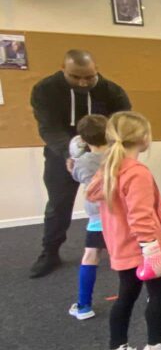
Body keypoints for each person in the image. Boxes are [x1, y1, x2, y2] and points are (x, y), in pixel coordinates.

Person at [85, 112, 161, 350]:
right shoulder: (136, 172)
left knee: (126, 296)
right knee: (158, 293)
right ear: (144, 138)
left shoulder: (108, 168)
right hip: (142, 249)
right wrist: (151, 248)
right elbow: (140, 215)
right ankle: (156, 346)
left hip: (122, 249)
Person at [29, 49, 131, 277]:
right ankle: (50, 253)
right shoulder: (45, 90)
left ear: (96, 70)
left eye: (89, 76)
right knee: (58, 205)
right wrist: (71, 153)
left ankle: (126, 247)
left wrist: (114, 153)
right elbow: (49, 127)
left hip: (106, 155)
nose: (83, 82)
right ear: (63, 69)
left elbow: (123, 123)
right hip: (62, 155)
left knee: (118, 201)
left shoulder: (112, 91)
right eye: (76, 77)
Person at [67, 115, 110, 320]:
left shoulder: (82, 162)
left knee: (91, 256)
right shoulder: (118, 156)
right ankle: (152, 293)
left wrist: (72, 165)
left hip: (98, 219)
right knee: (136, 256)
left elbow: (76, 175)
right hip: (123, 217)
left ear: (83, 140)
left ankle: (84, 306)